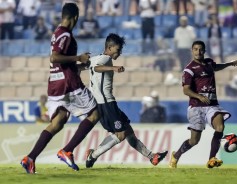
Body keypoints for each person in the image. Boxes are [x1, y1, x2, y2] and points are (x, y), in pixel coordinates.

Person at [20, 3, 101, 174]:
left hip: (55, 84)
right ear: (76, 17)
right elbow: (54, 57)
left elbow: (61, 61)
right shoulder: (65, 34)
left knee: (58, 122)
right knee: (95, 113)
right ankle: (67, 150)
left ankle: (30, 158)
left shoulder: (56, 33)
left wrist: (79, 65)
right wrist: (79, 56)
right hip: (68, 84)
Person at [85, 33, 168, 168]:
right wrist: (114, 68)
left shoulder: (94, 58)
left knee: (128, 130)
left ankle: (152, 157)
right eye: (118, 50)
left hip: (104, 103)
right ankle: (93, 155)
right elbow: (96, 68)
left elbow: (89, 67)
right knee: (121, 134)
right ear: (110, 47)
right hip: (106, 104)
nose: (120, 53)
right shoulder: (105, 59)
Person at [169, 40, 237, 169]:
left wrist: (229, 64)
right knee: (194, 141)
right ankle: (176, 155)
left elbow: (216, 67)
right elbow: (186, 90)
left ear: (204, 51)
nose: (198, 52)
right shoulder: (189, 70)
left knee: (220, 127)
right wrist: (199, 96)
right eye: (195, 49)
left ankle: (211, 159)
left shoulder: (209, 63)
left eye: (200, 49)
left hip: (212, 105)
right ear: (192, 51)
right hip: (196, 107)